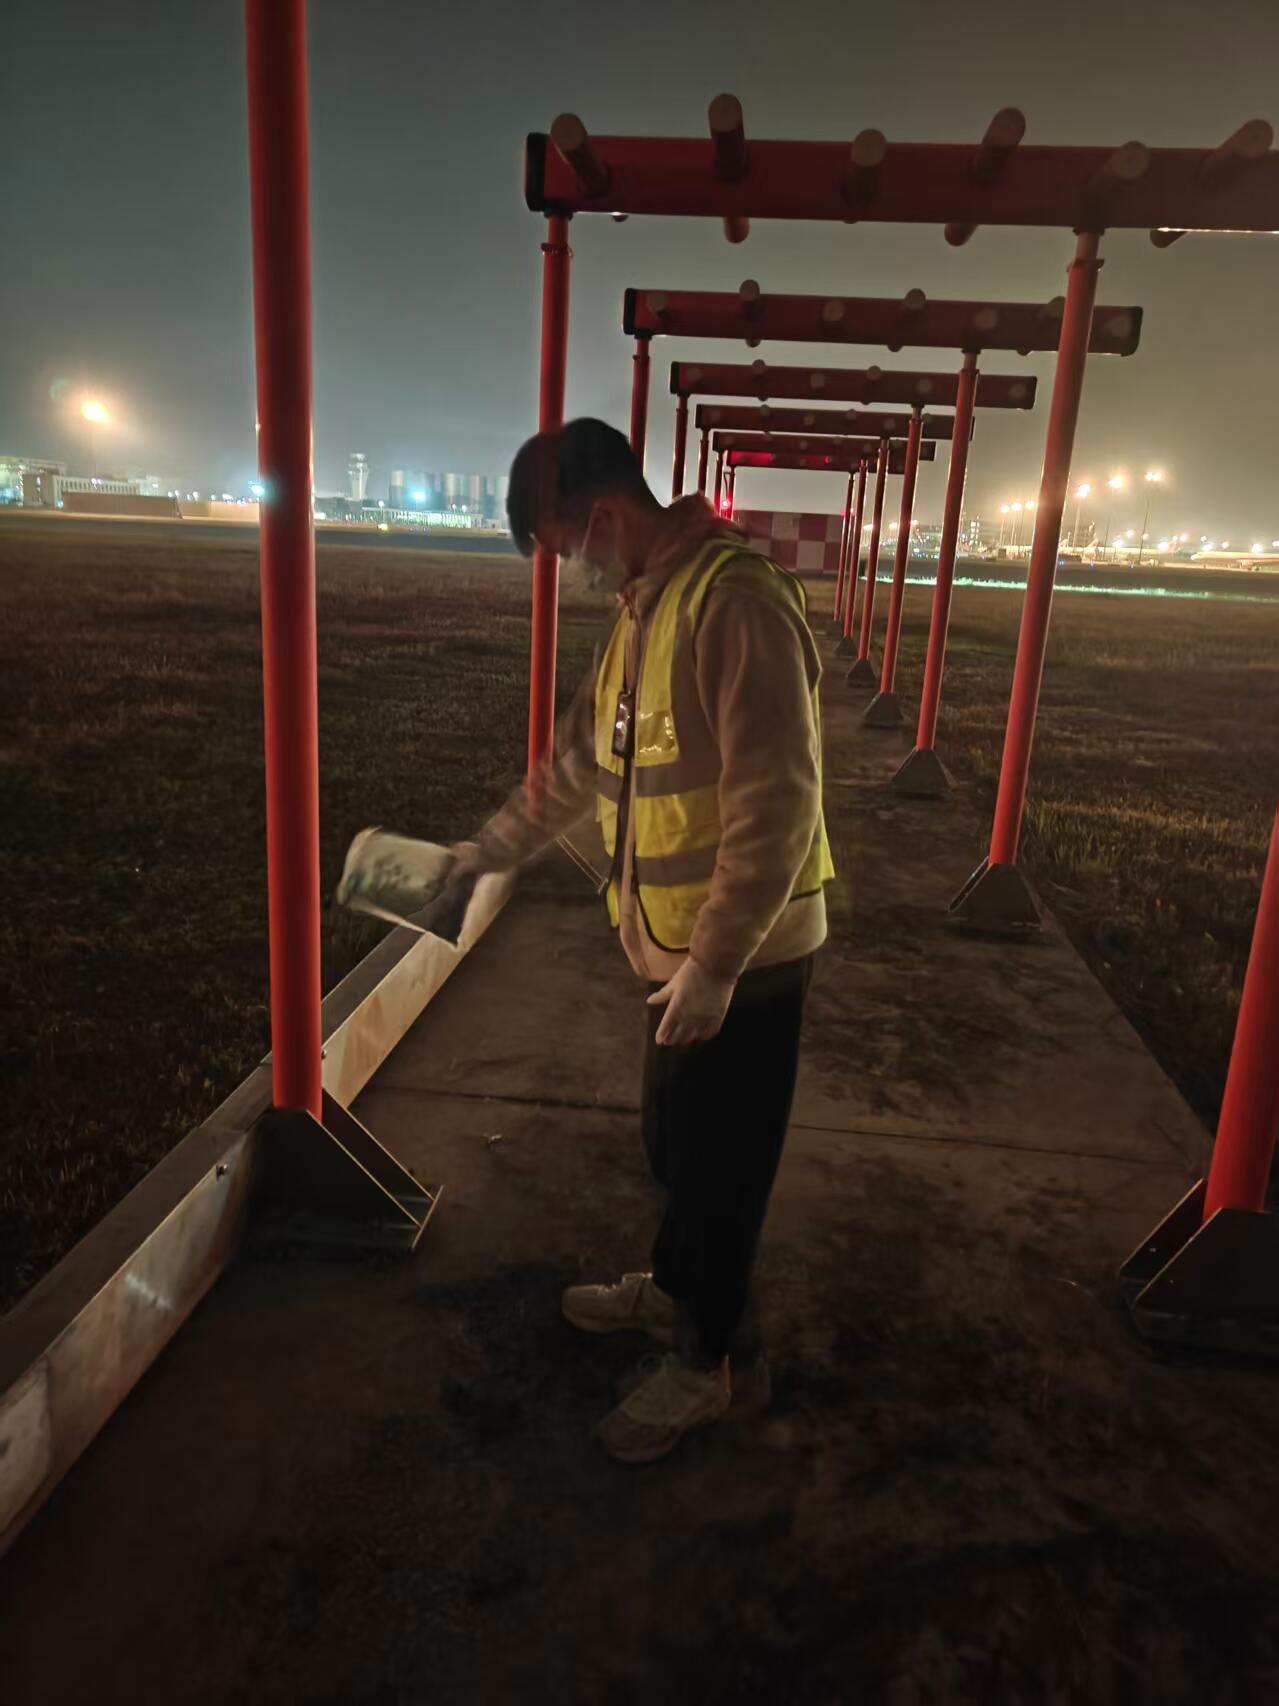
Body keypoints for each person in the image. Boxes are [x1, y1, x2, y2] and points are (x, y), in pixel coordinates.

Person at [455, 418, 834, 1463]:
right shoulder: (646, 609)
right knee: (673, 1148)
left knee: (720, 1172)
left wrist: (715, 963)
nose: (567, 571)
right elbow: (579, 762)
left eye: (561, 546)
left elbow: (777, 802)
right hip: (675, 950)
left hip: (741, 961)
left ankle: (704, 1362)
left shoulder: (734, 604)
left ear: (604, 517)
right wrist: (483, 851)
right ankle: (670, 1290)